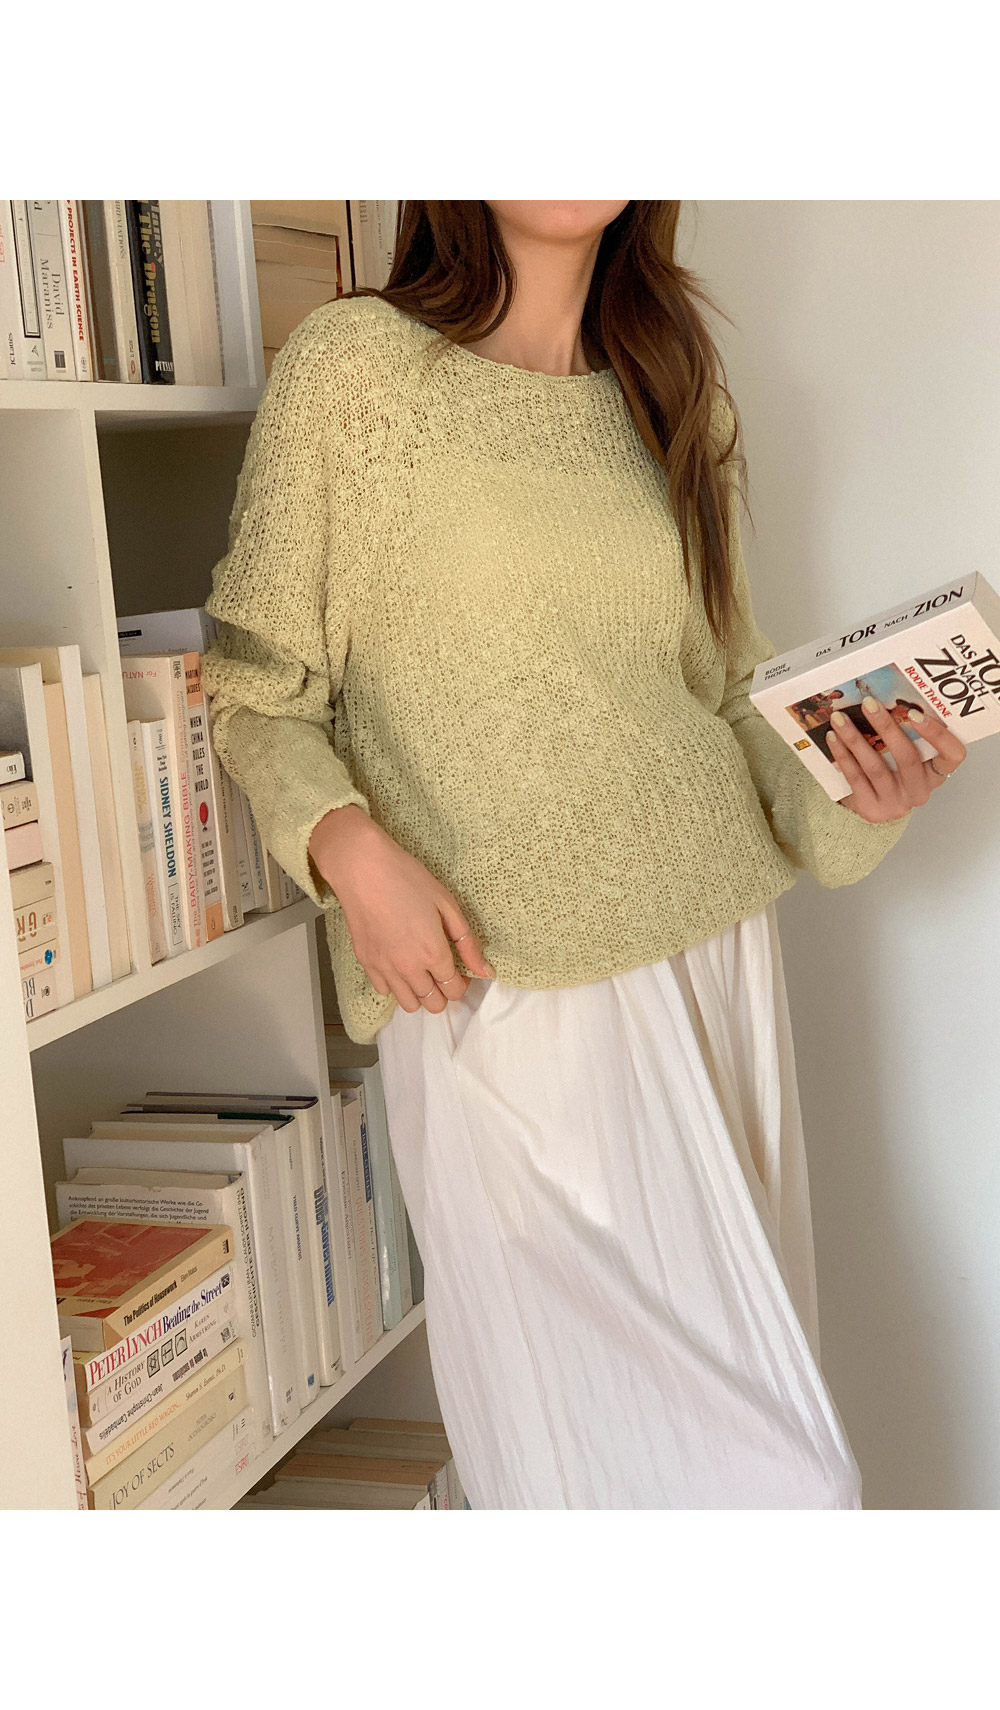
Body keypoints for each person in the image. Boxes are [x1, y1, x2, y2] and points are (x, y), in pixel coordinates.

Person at [201, 201, 968, 1510]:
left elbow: (728, 696)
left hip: (715, 966)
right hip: (500, 986)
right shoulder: (356, 368)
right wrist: (346, 847)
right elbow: (255, 690)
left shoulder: (677, 391)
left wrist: (867, 791)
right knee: (726, 1488)